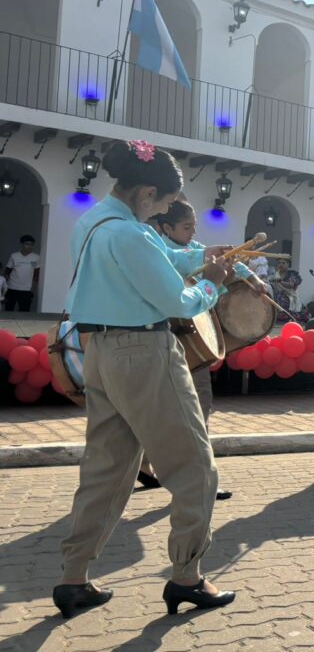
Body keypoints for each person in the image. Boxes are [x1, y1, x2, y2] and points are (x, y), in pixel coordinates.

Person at [53, 139, 235, 620]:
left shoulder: (96, 222)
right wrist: (212, 282)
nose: (169, 209)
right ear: (147, 192)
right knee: (195, 467)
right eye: (168, 202)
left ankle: (74, 578)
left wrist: (200, 255)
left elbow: (160, 257)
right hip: (144, 353)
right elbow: (179, 300)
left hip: (101, 354)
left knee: (106, 470)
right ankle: (187, 577)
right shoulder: (130, 235)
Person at [147, 198, 262, 502]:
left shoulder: (191, 247)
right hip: (169, 338)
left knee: (192, 406)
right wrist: (207, 263)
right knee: (175, 409)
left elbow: (228, 265)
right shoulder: (157, 248)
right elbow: (178, 263)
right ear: (166, 227)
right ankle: (176, 472)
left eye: (194, 226)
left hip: (190, 340)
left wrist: (253, 279)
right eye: (186, 227)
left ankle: (184, 475)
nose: (192, 232)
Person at [4, 234, 41, 311]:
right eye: (27, 244)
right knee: (9, 309)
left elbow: (36, 274)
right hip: (12, 287)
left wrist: (33, 288)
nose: (29, 246)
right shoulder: (14, 256)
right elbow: (7, 271)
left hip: (26, 289)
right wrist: (4, 286)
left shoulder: (36, 257)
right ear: (22, 244)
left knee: (24, 310)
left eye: (31, 244)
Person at [270, 258, 306, 322]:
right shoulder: (274, 275)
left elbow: (291, 285)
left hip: (289, 297)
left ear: (288, 264)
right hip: (276, 298)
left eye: (283, 263)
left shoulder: (292, 274)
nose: (281, 265)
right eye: (279, 263)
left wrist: (280, 281)